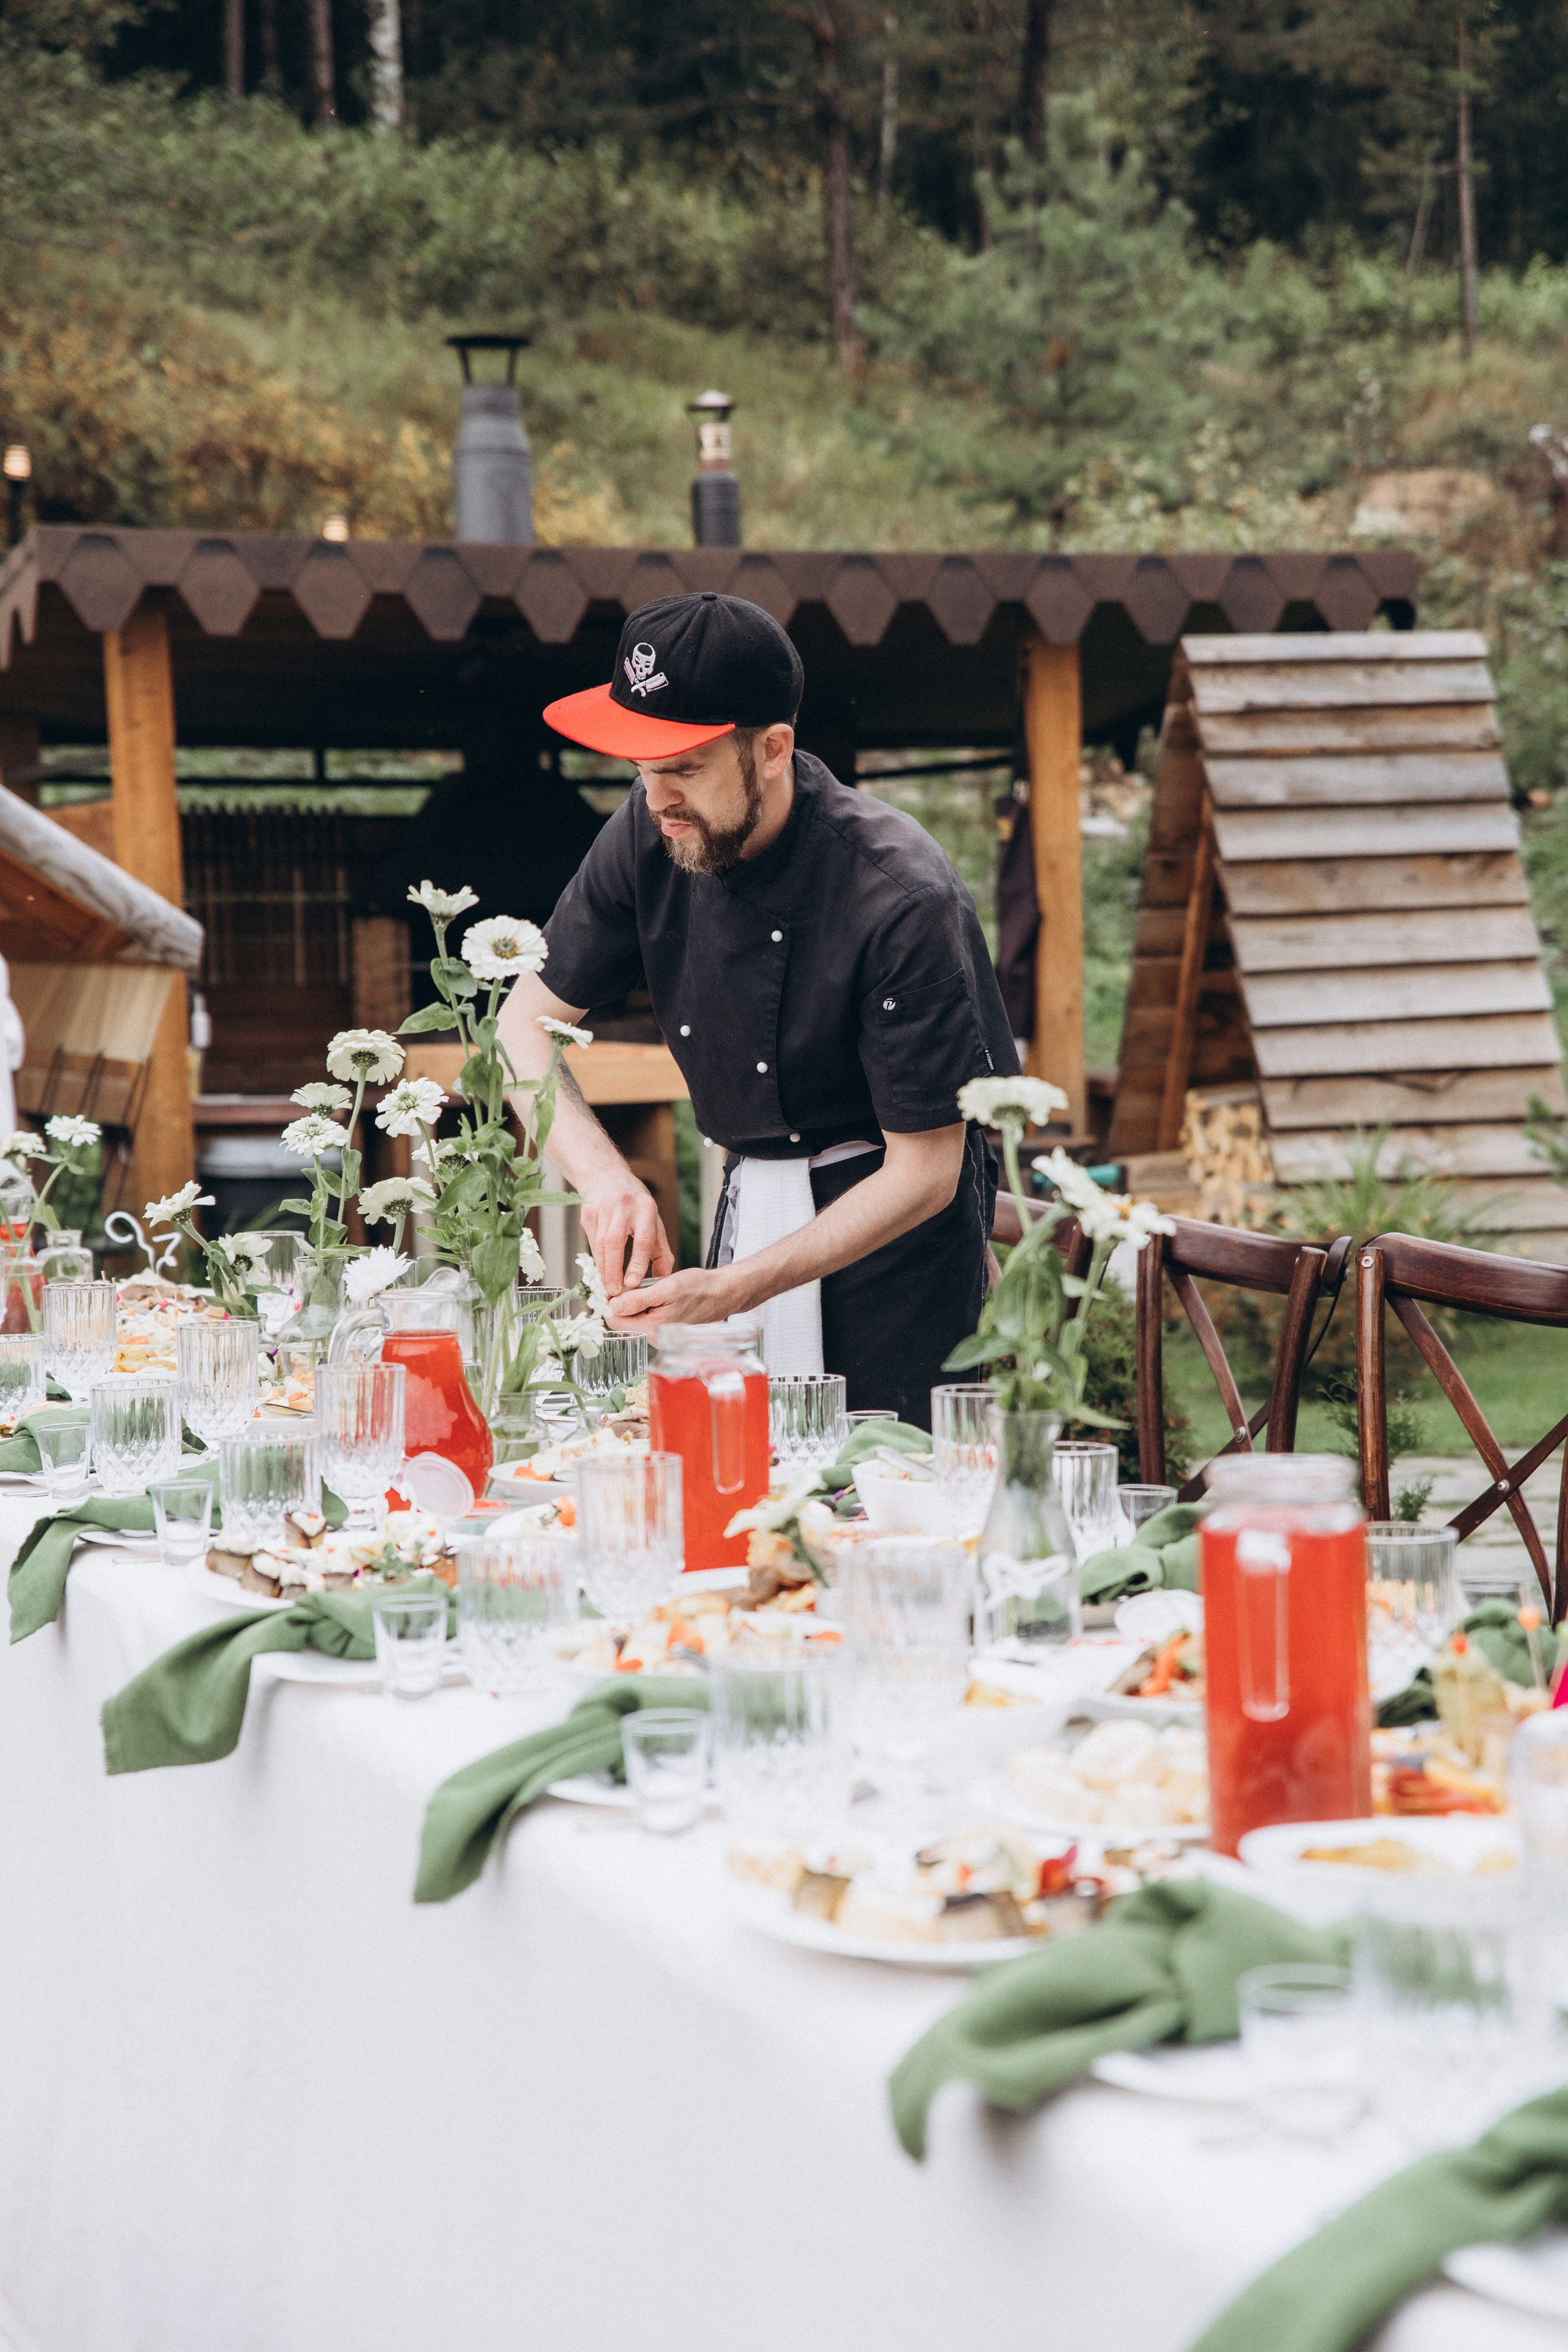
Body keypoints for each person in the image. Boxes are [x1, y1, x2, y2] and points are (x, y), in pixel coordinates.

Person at [496, 590, 1020, 1429]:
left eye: (686, 766)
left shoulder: (900, 893)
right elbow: (519, 1027)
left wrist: (739, 1287)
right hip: (752, 1210)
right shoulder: (652, 827)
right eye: (641, 765)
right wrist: (603, 1179)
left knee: (881, 1509)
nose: (657, 796)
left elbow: (927, 1174)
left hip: (893, 1254)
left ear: (773, 749)